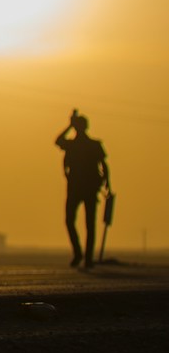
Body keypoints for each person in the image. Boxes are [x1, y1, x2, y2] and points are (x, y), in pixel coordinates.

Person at [55, 111, 110, 269]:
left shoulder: (92, 145)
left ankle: (86, 257)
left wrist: (107, 182)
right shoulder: (74, 145)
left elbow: (103, 164)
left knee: (87, 224)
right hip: (76, 189)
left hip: (87, 188)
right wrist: (70, 125)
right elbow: (57, 141)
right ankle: (81, 254)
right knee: (75, 222)